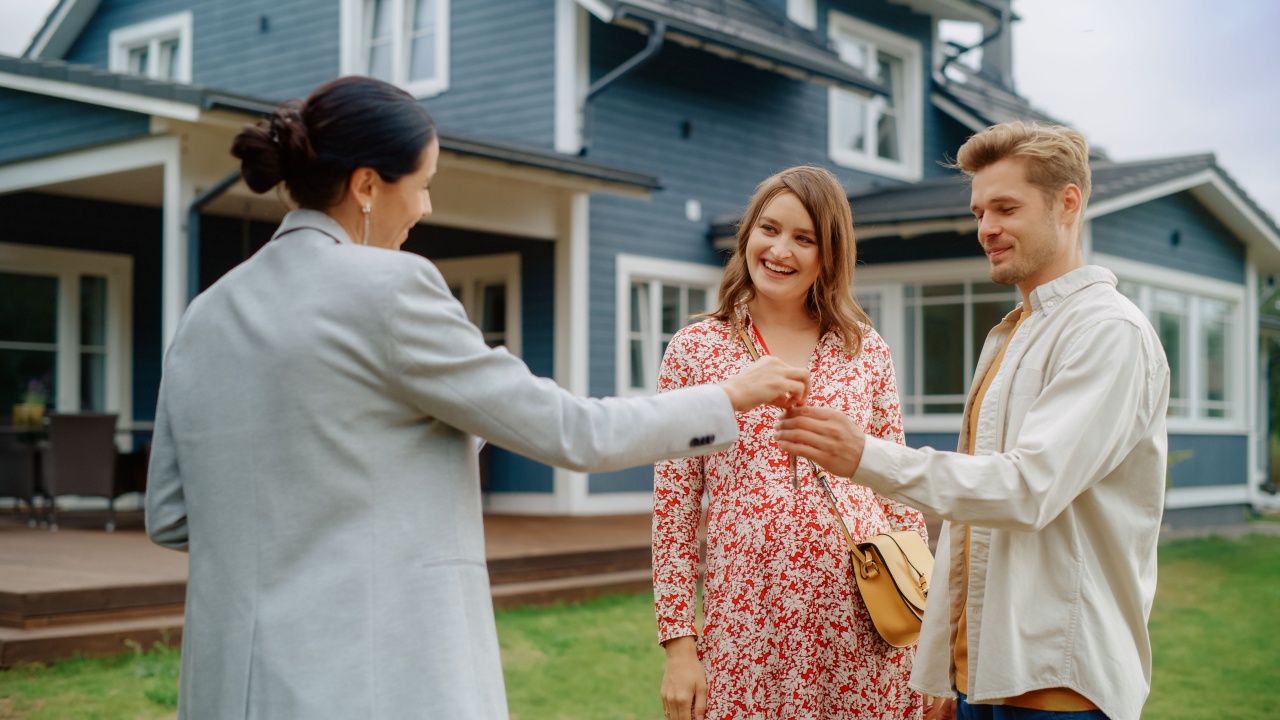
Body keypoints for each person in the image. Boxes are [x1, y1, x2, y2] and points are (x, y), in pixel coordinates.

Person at [144, 76, 810, 720]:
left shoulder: (204, 314)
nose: (426, 208)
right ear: (367, 186)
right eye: (424, 185)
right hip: (370, 682)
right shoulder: (391, 289)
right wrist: (725, 398)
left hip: (226, 689)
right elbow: (571, 431)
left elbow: (171, 517)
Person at [776, 122, 1170, 720]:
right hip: (985, 678)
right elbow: (974, 522)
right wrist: (946, 667)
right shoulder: (1013, 332)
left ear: (1069, 203)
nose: (986, 228)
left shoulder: (1107, 333)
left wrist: (866, 457)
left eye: (1006, 207)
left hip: (1059, 687)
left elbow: (1025, 488)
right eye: (980, 210)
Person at [653, 165, 927, 720]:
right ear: (747, 233)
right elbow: (673, 511)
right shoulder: (695, 349)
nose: (781, 250)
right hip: (747, 635)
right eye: (769, 229)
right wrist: (680, 648)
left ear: (830, 255)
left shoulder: (864, 350)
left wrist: (929, 639)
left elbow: (899, 493)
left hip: (864, 630)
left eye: (805, 239)